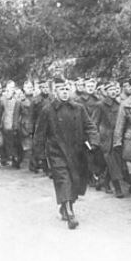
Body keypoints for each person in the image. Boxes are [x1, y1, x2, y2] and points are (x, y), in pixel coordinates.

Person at [33, 78, 100, 229]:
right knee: (64, 181)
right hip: (57, 152)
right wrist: (40, 155)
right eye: (61, 90)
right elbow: (40, 134)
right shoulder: (47, 110)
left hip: (77, 153)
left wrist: (94, 141)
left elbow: (89, 126)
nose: (64, 93)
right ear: (55, 92)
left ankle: (65, 206)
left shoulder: (78, 108)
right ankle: (70, 214)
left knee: (75, 182)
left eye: (66, 90)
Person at [93, 81, 125, 198]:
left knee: (114, 162)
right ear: (106, 92)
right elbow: (94, 122)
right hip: (106, 137)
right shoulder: (100, 105)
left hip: (117, 136)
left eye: (114, 89)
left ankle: (104, 181)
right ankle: (118, 188)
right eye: (110, 90)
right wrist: (95, 138)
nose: (113, 92)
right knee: (112, 162)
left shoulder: (119, 104)